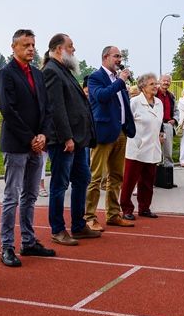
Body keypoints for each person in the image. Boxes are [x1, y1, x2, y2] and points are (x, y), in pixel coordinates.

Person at [0, 29, 56, 266]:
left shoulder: (38, 74)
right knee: (12, 196)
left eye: (33, 44)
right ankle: (7, 246)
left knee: (30, 196)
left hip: (37, 145)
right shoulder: (6, 74)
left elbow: (46, 109)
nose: (31, 48)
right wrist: (30, 137)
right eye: (25, 45)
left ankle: (29, 242)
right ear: (14, 47)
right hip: (17, 145)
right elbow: (8, 111)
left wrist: (43, 135)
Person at [42, 33, 101, 245]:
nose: (74, 49)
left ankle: (78, 225)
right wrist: (67, 137)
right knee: (59, 185)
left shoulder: (63, 71)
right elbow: (56, 108)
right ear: (59, 49)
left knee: (82, 179)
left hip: (77, 141)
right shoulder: (51, 71)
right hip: (64, 142)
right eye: (70, 46)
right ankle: (58, 229)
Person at [85, 46, 137, 229]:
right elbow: (101, 97)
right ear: (105, 57)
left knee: (116, 177)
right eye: (116, 56)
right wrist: (120, 82)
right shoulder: (96, 77)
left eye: (120, 56)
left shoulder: (117, 79)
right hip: (103, 133)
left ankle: (113, 214)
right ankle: (89, 217)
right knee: (96, 177)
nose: (119, 59)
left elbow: (124, 105)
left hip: (120, 132)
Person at [120, 73, 165, 219]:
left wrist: (160, 134)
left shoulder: (159, 102)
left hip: (153, 146)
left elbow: (158, 122)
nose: (155, 87)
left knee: (147, 181)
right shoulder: (134, 102)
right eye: (152, 84)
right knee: (130, 181)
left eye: (156, 84)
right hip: (137, 147)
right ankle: (126, 209)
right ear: (143, 86)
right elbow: (126, 122)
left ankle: (144, 207)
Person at [155, 74, 177, 171]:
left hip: (167, 125)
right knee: (156, 151)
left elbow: (176, 110)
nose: (166, 82)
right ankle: (155, 179)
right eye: (164, 80)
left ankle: (168, 178)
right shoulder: (154, 93)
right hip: (155, 126)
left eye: (168, 81)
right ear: (159, 81)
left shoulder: (171, 96)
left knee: (168, 152)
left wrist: (175, 120)